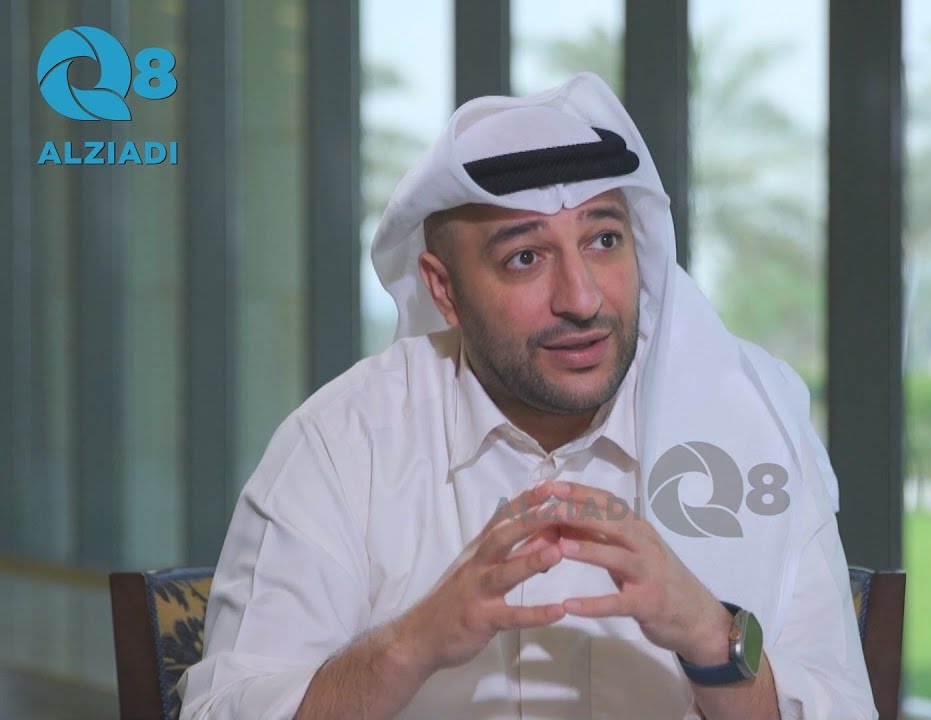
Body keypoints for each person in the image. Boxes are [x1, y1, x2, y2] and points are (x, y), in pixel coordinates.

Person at [177, 72, 876, 720]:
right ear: (444, 290)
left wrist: (707, 633)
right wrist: (412, 643)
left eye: (604, 240)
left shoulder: (752, 427)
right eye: (525, 257)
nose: (581, 298)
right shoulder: (343, 443)